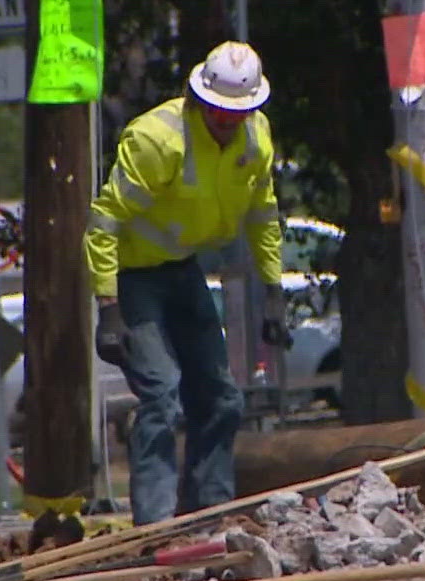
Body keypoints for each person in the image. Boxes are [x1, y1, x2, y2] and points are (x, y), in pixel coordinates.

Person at [86, 41, 290, 525]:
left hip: (180, 268)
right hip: (135, 276)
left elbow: (263, 215)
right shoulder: (158, 140)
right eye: (219, 111)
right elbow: (105, 221)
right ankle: (154, 525)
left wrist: (274, 291)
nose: (227, 121)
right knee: (162, 393)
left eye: (238, 113)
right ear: (199, 99)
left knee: (221, 397)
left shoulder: (256, 138)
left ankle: (211, 513)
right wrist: (109, 307)